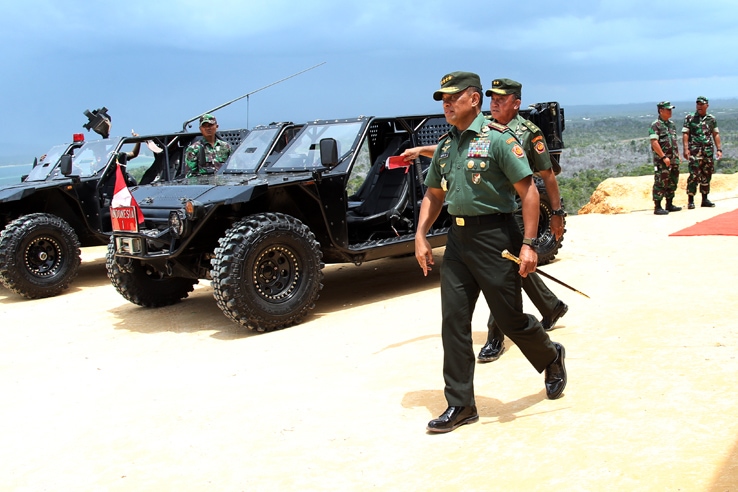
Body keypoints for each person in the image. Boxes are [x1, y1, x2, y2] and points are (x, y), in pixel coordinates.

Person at [415, 71, 566, 434]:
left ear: (474, 99)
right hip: (458, 242)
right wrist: (420, 235)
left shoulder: (500, 139)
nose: (447, 104)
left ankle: (550, 355)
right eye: (443, 99)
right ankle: (461, 405)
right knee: (453, 321)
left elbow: (529, 191)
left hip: (496, 238)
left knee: (510, 320)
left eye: (453, 97)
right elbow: (434, 194)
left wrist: (529, 244)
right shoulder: (447, 145)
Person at [682, 96, 722, 209]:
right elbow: (686, 134)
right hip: (695, 151)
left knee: (707, 174)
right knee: (694, 175)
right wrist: (686, 149)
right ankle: (690, 200)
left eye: (701, 104)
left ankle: (705, 199)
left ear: (706, 106)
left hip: (708, 152)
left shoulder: (711, 119)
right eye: (697, 104)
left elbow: (715, 134)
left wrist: (719, 149)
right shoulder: (690, 118)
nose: (699, 106)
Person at [649, 101, 681, 215]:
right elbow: (654, 142)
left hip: (673, 159)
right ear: (661, 110)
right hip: (662, 160)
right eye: (668, 109)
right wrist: (663, 157)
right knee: (661, 181)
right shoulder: (656, 125)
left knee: (672, 181)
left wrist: (678, 156)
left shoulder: (671, 125)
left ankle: (669, 204)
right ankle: (657, 206)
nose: (670, 111)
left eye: (671, 109)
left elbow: (674, 142)